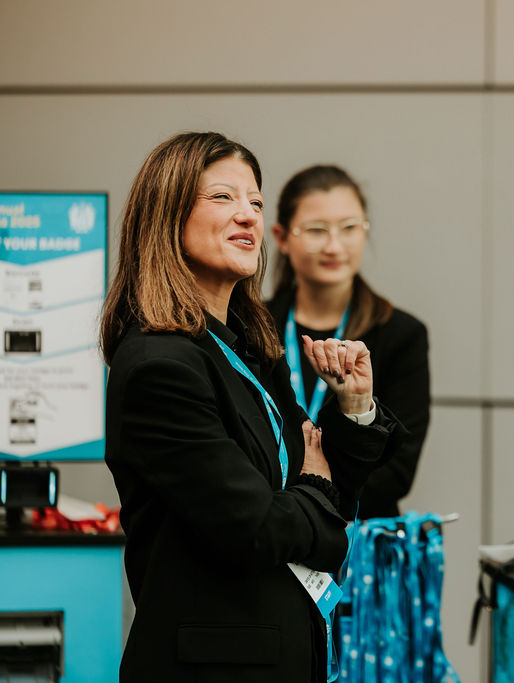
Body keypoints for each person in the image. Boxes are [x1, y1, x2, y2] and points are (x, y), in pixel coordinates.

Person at [100, 132, 404, 683]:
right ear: (166, 214)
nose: (248, 215)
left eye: (256, 202)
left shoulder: (250, 348)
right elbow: (255, 526)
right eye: (223, 197)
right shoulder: (158, 365)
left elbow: (333, 491)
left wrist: (355, 406)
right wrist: (315, 490)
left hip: (287, 654)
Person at [267, 164, 430, 519]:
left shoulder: (401, 334)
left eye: (349, 228)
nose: (334, 246)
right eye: (316, 230)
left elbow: (397, 470)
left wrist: (316, 502)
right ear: (281, 237)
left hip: (358, 532)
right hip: (269, 528)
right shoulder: (254, 327)